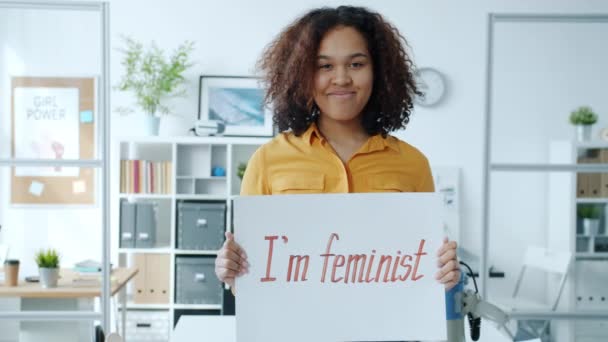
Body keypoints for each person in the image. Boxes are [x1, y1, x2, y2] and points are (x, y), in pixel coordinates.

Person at [215, 5, 460, 296]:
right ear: (301, 75)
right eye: (324, 66)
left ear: (379, 72)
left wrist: (443, 271)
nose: (342, 78)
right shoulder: (267, 161)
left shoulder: (413, 164)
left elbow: (423, 269)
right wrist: (230, 272)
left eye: (356, 64)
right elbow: (248, 281)